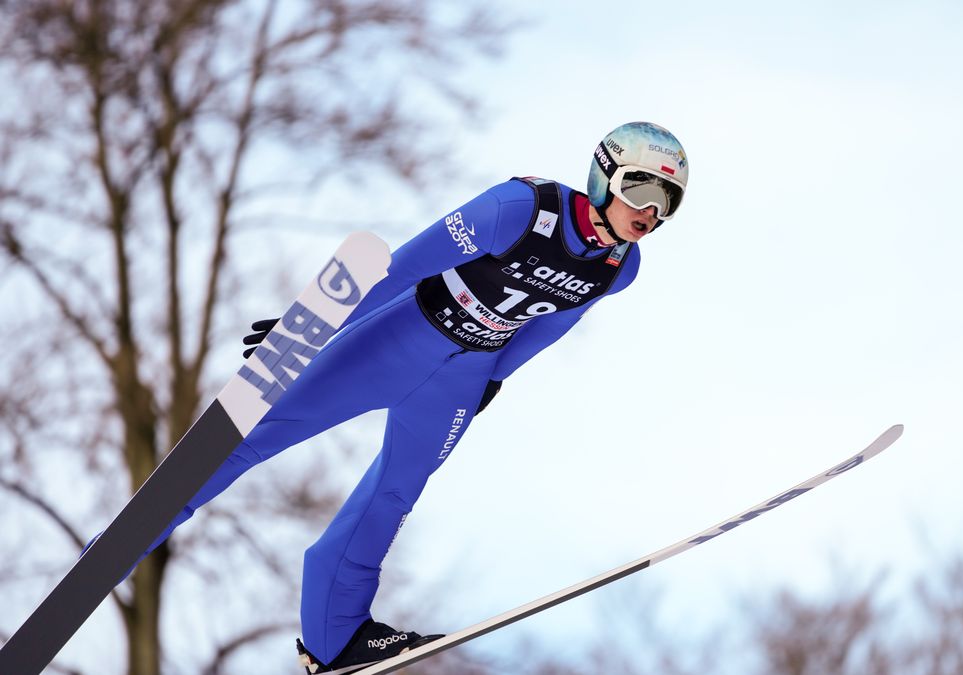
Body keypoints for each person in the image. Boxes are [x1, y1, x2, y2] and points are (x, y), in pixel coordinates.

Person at [150, 121, 688, 672]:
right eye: (643, 189)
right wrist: (313, 326)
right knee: (262, 434)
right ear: (605, 176)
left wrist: (494, 379)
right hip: (400, 335)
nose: (652, 211)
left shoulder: (620, 268)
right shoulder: (517, 209)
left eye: (668, 201)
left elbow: (550, 326)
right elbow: (401, 267)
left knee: (393, 495)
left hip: (462, 376)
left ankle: (333, 639)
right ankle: (140, 528)